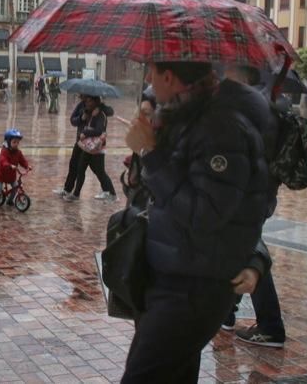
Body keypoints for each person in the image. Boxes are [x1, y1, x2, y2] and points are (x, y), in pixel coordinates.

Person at [121, 61, 273, 383]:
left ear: (170, 77)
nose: (147, 80)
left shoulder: (220, 129)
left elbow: (206, 214)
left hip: (193, 287)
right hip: (173, 273)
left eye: (151, 71)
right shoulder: (186, 112)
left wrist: (149, 152)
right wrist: (149, 115)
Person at [219, 65, 287, 348]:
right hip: (257, 191)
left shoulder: (254, 107)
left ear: (243, 75)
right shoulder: (263, 103)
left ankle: (271, 326)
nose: (224, 74)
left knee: (252, 252)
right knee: (243, 249)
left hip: (250, 194)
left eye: (229, 70)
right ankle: (228, 313)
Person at [63, 95, 117, 203]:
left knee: (99, 171)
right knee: (80, 168)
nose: (86, 103)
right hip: (87, 146)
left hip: (97, 147)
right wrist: (84, 117)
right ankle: (76, 194)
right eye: (86, 101)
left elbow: (99, 130)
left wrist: (85, 132)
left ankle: (112, 193)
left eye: (89, 101)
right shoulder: (88, 111)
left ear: (94, 102)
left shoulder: (100, 113)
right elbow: (74, 120)